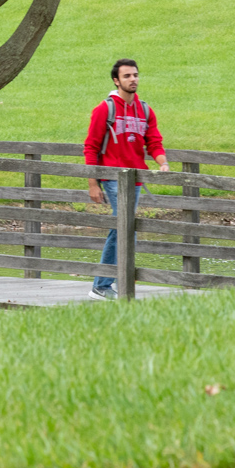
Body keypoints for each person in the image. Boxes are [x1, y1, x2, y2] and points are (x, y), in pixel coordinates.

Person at [84, 57, 167, 298]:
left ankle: (117, 281)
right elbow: (91, 147)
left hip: (136, 179)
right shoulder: (105, 109)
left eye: (135, 75)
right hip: (112, 177)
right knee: (125, 228)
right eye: (127, 76)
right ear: (116, 80)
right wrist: (92, 183)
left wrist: (163, 163)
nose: (133, 80)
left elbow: (154, 142)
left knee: (125, 228)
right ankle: (101, 285)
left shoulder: (145, 110)